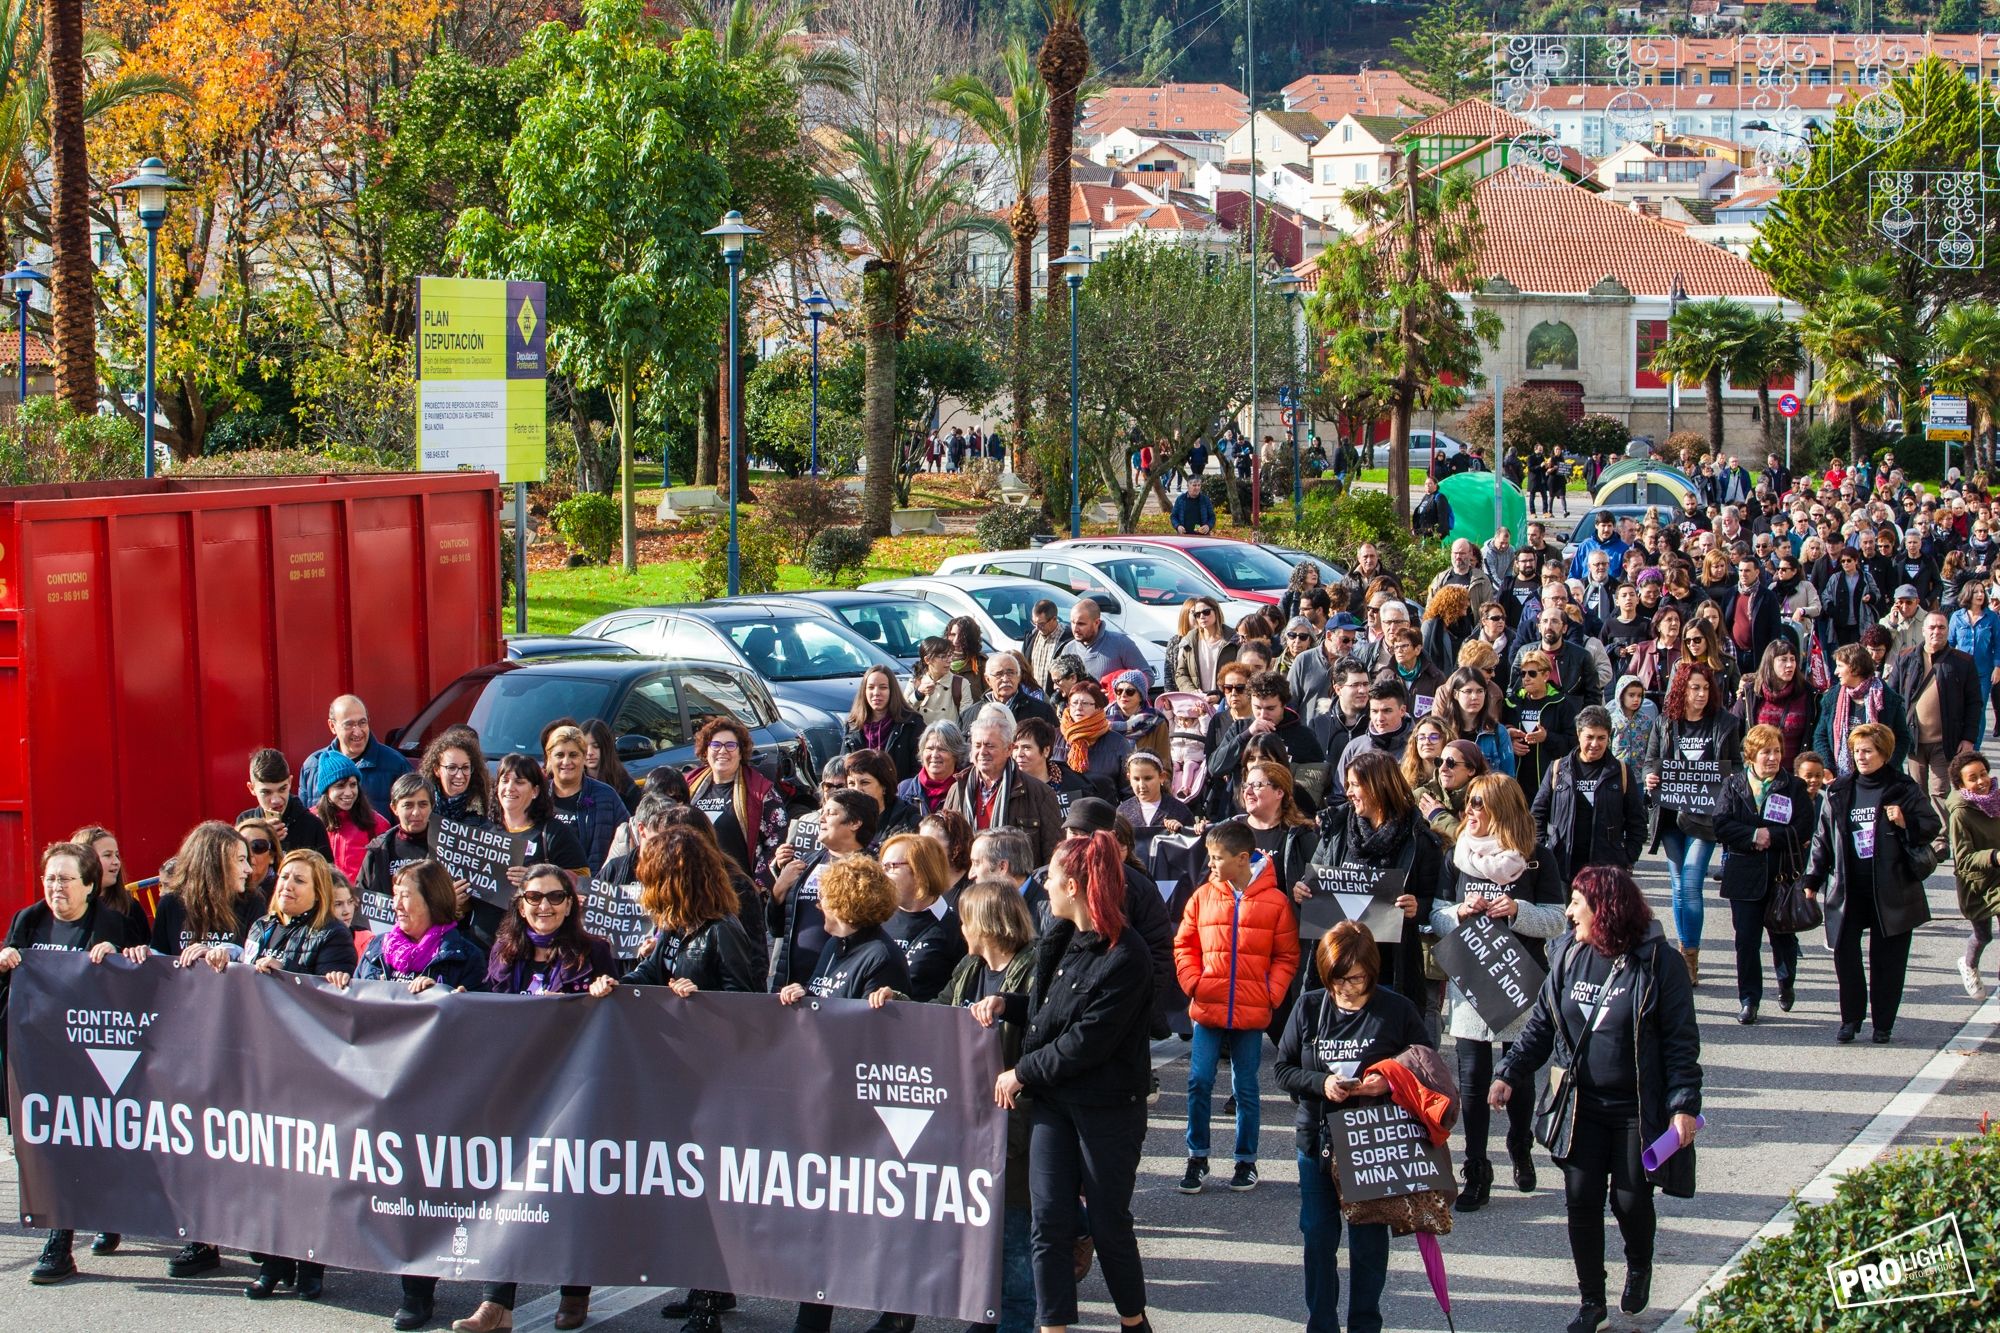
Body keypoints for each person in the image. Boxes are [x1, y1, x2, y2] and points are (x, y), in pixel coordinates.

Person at [1492, 865, 1703, 1333]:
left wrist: (1684, 1104)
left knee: (1629, 1202)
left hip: (1636, 1110)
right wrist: (1508, 1073)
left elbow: (1680, 1041)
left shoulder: (1658, 961)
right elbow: (1543, 1024)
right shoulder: (1569, 953)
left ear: (1604, 909)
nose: (1568, 913)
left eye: (1576, 904)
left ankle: (1639, 1263)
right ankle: (1592, 1301)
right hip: (1581, 1105)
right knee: (1580, 1199)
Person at [969, 831, 1155, 1333]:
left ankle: (1134, 1322)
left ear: (1072, 886)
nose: (1042, 884)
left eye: (1049, 877)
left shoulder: (1127, 955)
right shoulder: (1061, 938)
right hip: (1054, 1104)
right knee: (1048, 1223)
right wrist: (1009, 1004)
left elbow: (1087, 1040)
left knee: (1109, 1224)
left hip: (1108, 1109)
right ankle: (1053, 1328)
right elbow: (1054, 1015)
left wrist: (1021, 1072)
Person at [868, 881, 1039, 1333]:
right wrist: (899, 1003)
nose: (959, 927)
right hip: (966, 1121)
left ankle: (1014, 1323)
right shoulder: (968, 967)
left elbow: (1040, 1039)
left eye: (965, 919)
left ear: (986, 924)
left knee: (1014, 1239)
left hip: (1015, 1123)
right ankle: (986, 1319)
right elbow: (938, 1015)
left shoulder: (1032, 971)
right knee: (979, 1232)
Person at [323, 860, 486, 1329]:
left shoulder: (465, 954)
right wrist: (343, 987)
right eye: (393, 894)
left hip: (435, 1091)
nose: (395, 904)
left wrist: (445, 997)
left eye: (405, 894)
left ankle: (418, 1291)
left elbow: (483, 1020)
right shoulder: (376, 949)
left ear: (432, 900)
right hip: (380, 1085)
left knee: (420, 1189)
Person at [3, 842, 144, 1285]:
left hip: (96, 1057)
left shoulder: (112, 924)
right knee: (53, 1146)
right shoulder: (28, 920)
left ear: (89, 885)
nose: (55, 887)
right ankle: (59, 1243)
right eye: (49, 878)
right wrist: (4, 962)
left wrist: (119, 962)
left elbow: (141, 989)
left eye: (65, 879)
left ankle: (106, 1212)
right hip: (41, 1056)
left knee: (97, 1144)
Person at [1431, 773, 1567, 1213]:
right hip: (1471, 979)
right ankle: (1476, 1168)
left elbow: (1558, 918)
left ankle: (1519, 1143)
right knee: (1471, 1081)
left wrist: (1519, 911)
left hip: (1519, 979)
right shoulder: (1456, 858)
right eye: (1468, 804)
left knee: (1519, 1073)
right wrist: (1458, 911)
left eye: (1479, 805)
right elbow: (1434, 913)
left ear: (1502, 810)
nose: (1469, 813)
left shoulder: (1536, 858)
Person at [1175, 819, 1301, 1194]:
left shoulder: (1276, 902)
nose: (1210, 864)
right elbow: (1184, 946)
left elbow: (1286, 956)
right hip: (1208, 1007)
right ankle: (1197, 1155)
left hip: (1251, 1010)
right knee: (1199, 1081)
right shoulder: (1202, 896)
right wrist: (1194, 984)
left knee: (1245, 1087)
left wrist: (1269, 994)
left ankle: (1246, 1161)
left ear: (1243, 859)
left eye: (1217, 858)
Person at [1798, 721, 1942, 1044]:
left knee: (1887, 959)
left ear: (1884, 753)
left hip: (1893, 888)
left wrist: (1906, 821)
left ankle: (1883, 1024)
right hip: (1848, 888)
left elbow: (1931, 825)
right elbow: (1823, 838)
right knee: (1844, 954)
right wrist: (1812, 878)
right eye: (1856, 751)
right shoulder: (1839, 790)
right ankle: (1850, 1019)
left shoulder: (1903, 787)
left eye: (1868, 751)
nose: (1861, 757)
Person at [1643, 661, 1742, 982]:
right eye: (1694, 687)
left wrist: (1727, 780)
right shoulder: (1664, 723)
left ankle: (1690, 954)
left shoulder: (1724, 722)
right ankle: (1685, 953)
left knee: (1690, 883)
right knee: (1676, 887)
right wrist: (1651, 778)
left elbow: (1737, 765)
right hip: (1671, 816)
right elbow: (1649, 762)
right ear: (1681, 690)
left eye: (1705, 687)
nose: (1700, 694)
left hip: (1705, 817)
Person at [1714, 724, 1814, 1025]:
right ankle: (1749, 999)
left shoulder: (1793, 786)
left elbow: (1803, 827)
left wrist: (1771, 835)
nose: (1772, 757)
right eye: (1765, 752)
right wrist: (1752, 835)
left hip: (1780, 874)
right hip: (1743, 875)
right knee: (1746, 941)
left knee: (1783, 936)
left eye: (1777, 751)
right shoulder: (1734, 785)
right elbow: (1721, 824)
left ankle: (1785, 982)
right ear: (1751, 755)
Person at [1885, 611, 1982, 840]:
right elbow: (1891, 696)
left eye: (1941, 628)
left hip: (1945, 741)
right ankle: (1922, 834)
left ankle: (1942, 838)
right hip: (1913, 740)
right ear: (1924, 630)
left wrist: (1968, 739)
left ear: (1948, 631)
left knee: (1940, 791)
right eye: (1932, 628)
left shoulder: (1962, 661)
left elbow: (1974, 703)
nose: (1936, 632)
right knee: (1917, 791)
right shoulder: (1905, 657)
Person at [481, 755, 591, 953]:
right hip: (483, 941)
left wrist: (536, 878)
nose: (510, 787)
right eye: (504, 781)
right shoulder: (484, 832)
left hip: (534, 946)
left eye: (519, 782)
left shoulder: (553, 832)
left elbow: (583, 881)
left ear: (535, 791)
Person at [1533, 705, 1646, 884]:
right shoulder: (1557, 769)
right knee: (1566, 913)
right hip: (1564, 867)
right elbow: (1537, 815)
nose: (1595, 744)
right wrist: (1543, 851)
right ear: (1578, 735)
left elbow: (1637, 820)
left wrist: (1627, 857)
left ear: (1609, 736)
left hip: (1607, 869)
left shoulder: (1621, 771)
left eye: (1601, 738)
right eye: (1589, 737)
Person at [140, 821, 266, 968]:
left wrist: (224, 953)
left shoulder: (253, 901)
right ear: (214, 864)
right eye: (241, 860)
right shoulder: (171, 903)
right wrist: (145, 953)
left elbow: (256, 961)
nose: (249, 869)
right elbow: (160, 961)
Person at [688, 716, 787, 888]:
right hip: (696, 888)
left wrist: (757, 885)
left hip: (738, 891)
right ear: (706, 751)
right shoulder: (689, 785)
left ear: (741, 752)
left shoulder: (760, 791)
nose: (723, 751)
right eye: (716, 745)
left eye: (731, 745)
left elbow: (777, 840)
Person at [879, 832, 968, 1002]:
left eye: (891, 866)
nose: (883, 875)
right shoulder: (877, 920)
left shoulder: (956, 928)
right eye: (882, 866)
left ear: (920, 871)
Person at [1946, 750, 2000, 1001]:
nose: (1981, 781)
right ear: (1960, 784)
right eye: (1973, 778)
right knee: (1983, 935)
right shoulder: (1961, 813)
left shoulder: (1997, 799)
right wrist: (1994, 857)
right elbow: (1964, 858)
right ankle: (1968, 964)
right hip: (1977, 883)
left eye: (1983, 774)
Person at [1812, 643, 1913, 777]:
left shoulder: (1888, 698)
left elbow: (1903, 738)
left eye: (1840, 666)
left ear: (1855, 668)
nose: (1836, 672)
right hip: (1842, 778)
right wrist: (1828, 768)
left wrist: (1888, 768)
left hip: (1882, 779)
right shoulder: (1831, 698)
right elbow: (1821, 736)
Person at [299, 693, 411, 808]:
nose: (357, 732)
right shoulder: (312, 767)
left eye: (362, 723)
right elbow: (303, 821)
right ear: (332, 726)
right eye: (349, 725)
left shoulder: (396, 765)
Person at [542, 723, 625, 873]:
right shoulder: (536, 797)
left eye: (573, 755)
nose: (566, 762)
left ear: (583, 757)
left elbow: (627, 842)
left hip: (592, 889)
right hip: (543, 892)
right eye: (560, 755)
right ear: (549, 759)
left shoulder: (606, 796)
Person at [358, 774, 438, 931]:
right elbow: (362, 901)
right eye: (408, 805)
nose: (416, 813)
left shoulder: (446, 847)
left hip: (434, 937)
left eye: (423, 804)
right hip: (388, 935)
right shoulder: (378, 849)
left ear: (432, 806)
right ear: (394, 808)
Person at [1504, 649, 1578, 802]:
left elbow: (1573, 743)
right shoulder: (1512, 702)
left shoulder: (1561, 703)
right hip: (1517, 780)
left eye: (1532, 673)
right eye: (1522, 674)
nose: (1526, 678)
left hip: (1549, 780)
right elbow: (1499, 730)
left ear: (1545, 675)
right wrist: (1509, 740)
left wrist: (1547, 737)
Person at [241, 746, 334, 863]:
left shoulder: (312, 826)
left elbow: (327, 876)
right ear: (252, 788)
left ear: (290, 782)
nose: (276, 800)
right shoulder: (244, 823)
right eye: (266, 792)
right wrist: (261, 839)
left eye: (282, 789)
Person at [310, 750, 390, 881]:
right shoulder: (311, 821)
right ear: (326, 790)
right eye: (340, 786)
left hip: (359, 898)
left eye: (353, 785)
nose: (348, 792)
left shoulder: (377, 823)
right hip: (322, 897)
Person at [1737, 640, 1817, 770]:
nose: (1790, 665)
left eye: (1793, 659)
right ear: (1770, 663)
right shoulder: (1751, 693)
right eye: (1783, 660)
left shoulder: (1808, 694)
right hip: (1759, 774)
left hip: (1794, 775)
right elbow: (1735, 730)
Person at [1056, 678, 1134, 802]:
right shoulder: (1054, 738)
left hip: (1105, 814)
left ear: (1098, 708)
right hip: (1063, 815)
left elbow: (1129, 791)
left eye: (1085, 703)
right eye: (1074, 703)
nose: (1079, 708)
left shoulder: (1117, 743)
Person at [845, 662, 923, 779]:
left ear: (892, 691)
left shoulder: (911, 723)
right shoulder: (853, 725)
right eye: (871, 687)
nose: (876, 693)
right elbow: (844, 768)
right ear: (864, 691)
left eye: (883, 687)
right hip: (861, 795)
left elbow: (918, 770)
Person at [1947, 580, 2000, 746]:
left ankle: (1974, 747)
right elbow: (1949, 642)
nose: (1980, 595)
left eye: (1982, 592)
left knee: (1979, 709)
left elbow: (1998, 644)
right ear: (1968, 594)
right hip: (1959, 671)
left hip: (1983, 672)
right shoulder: (1956, 616)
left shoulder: (1991, 617)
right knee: (1960, 708)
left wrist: (1997, 667)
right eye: (1976, 592)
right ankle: (1959, 743)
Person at [966, 651, 1059, 731]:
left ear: (1019, 677)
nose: (1005, 679)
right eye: (999, 674)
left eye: (1010, 673)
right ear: (988, 680)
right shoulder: (970, 715)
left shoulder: (1042, 712)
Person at [1170, 596, 1241, 698]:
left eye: (1206, 612)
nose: (1202, 617)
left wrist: (1220, 696)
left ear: (1216, 612)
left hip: (1225, 701)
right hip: (1198, 702)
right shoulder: (1189, 641)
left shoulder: (1233, 640)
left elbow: (1240, 675)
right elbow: (1181, 674)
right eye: (1197, 614)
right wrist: (1192, 691)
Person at [422, 726, 494, 823]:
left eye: (465, 768)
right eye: (452, 768)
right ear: (436, 770)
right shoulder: (422, 805)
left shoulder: (489, 807)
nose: (459, 775)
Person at [1066, 598, 1151, 679]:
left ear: (1096, 622)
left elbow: (1147, 676)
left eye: (1081, 624)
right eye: (1073, 622)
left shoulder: (1120, 643)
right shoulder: (1068, 649)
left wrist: (1116, 689)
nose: (1075, 629)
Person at [899, 719, 968, 816]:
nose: (934, 755)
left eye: (942, 749)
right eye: (929, 749)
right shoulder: (905, 790)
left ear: (956, 754)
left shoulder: (966, 790)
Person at [581, 718, 641, 811]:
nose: (589, 752)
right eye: (584, 747)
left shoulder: (624, 785)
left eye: (596, 746)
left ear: (606, 747)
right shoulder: (574, 782)